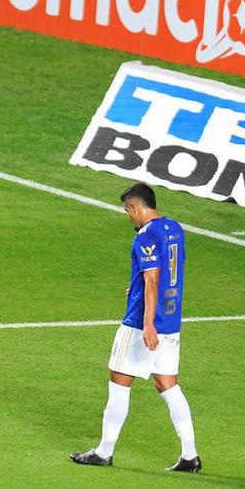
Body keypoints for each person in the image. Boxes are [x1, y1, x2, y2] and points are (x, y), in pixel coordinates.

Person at [70, 182, 201, 472]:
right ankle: (190, 455)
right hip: (171, 321)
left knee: (119, 380)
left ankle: (104, 451)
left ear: (135, 207)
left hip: (144, 324)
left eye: (128, 211)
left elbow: (153, 278)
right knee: (167, 384)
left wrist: (147, 324)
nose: (129, 217)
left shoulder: (145, 236)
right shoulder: (174, 228)